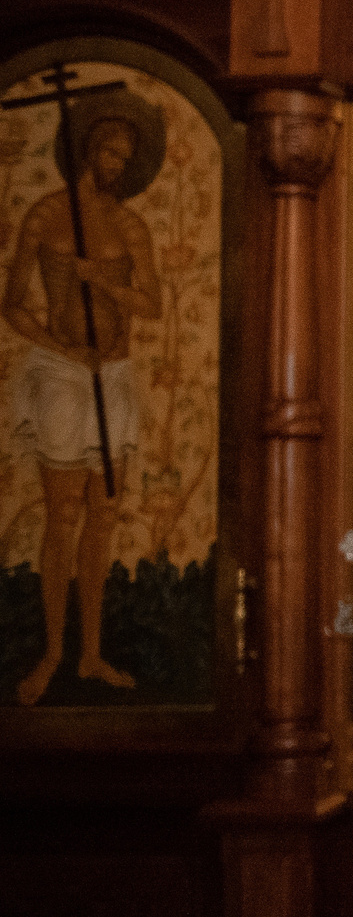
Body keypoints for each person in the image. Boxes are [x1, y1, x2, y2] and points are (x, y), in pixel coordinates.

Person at [6, 104, 162, 706]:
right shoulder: (45, 214)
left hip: (114, 375)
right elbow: (13, 303)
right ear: (87, 152)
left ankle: (91, 653)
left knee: (104, 514)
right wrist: (60, 345)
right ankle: (51, 653)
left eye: (126, 159)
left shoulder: (130, 228)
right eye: (109, 153)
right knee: (62, 512)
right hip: (61, 374)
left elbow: (150, 305)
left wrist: (103, 278)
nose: (117, 167)